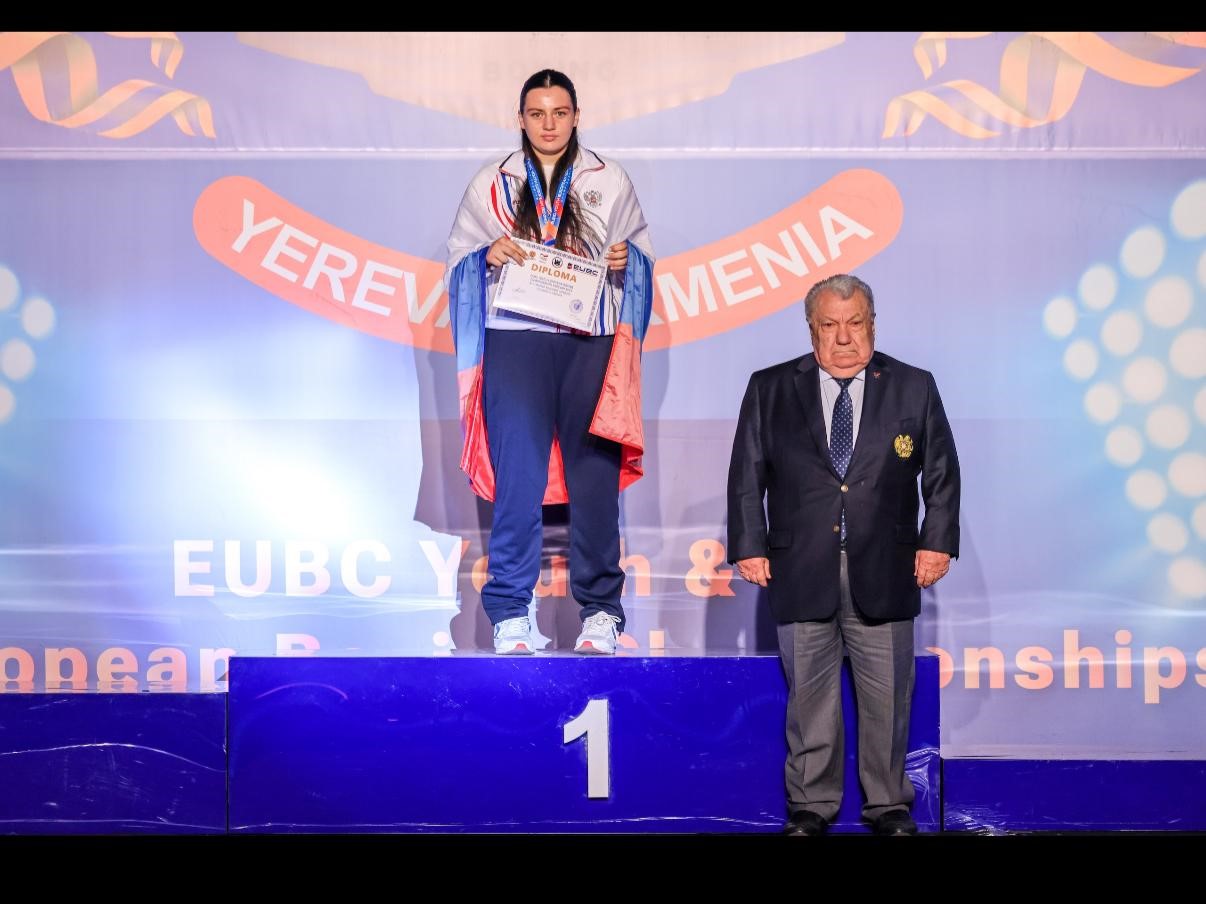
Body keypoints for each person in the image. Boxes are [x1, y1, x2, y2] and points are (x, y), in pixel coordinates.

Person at [727, 273, 960, 835]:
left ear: (872, 324)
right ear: (812, 329)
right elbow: (746, 474)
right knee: (809, 699)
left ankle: (888, 805)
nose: (844, 337)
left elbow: (942, 473)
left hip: (887, 566)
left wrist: (936, 542)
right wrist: (749, 545)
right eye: (829, 325)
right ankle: (811, 805)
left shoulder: (913, 386)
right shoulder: (770, 387)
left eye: (855, 323)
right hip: (799, 566)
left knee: (889, 699)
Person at [445, 69, 655, 655]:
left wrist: (627, 259)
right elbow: (459, 258)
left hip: (590, 339)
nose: (548, 124)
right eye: (537, 114)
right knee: (518, 478)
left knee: (594, 479)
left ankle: (601, 612)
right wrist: (486, 254)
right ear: (520, 118)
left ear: (576, 115)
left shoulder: (608, 179)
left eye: (559, 113)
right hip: (516, 340)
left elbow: (641, 254)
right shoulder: (494, 182)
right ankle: (511, 611)